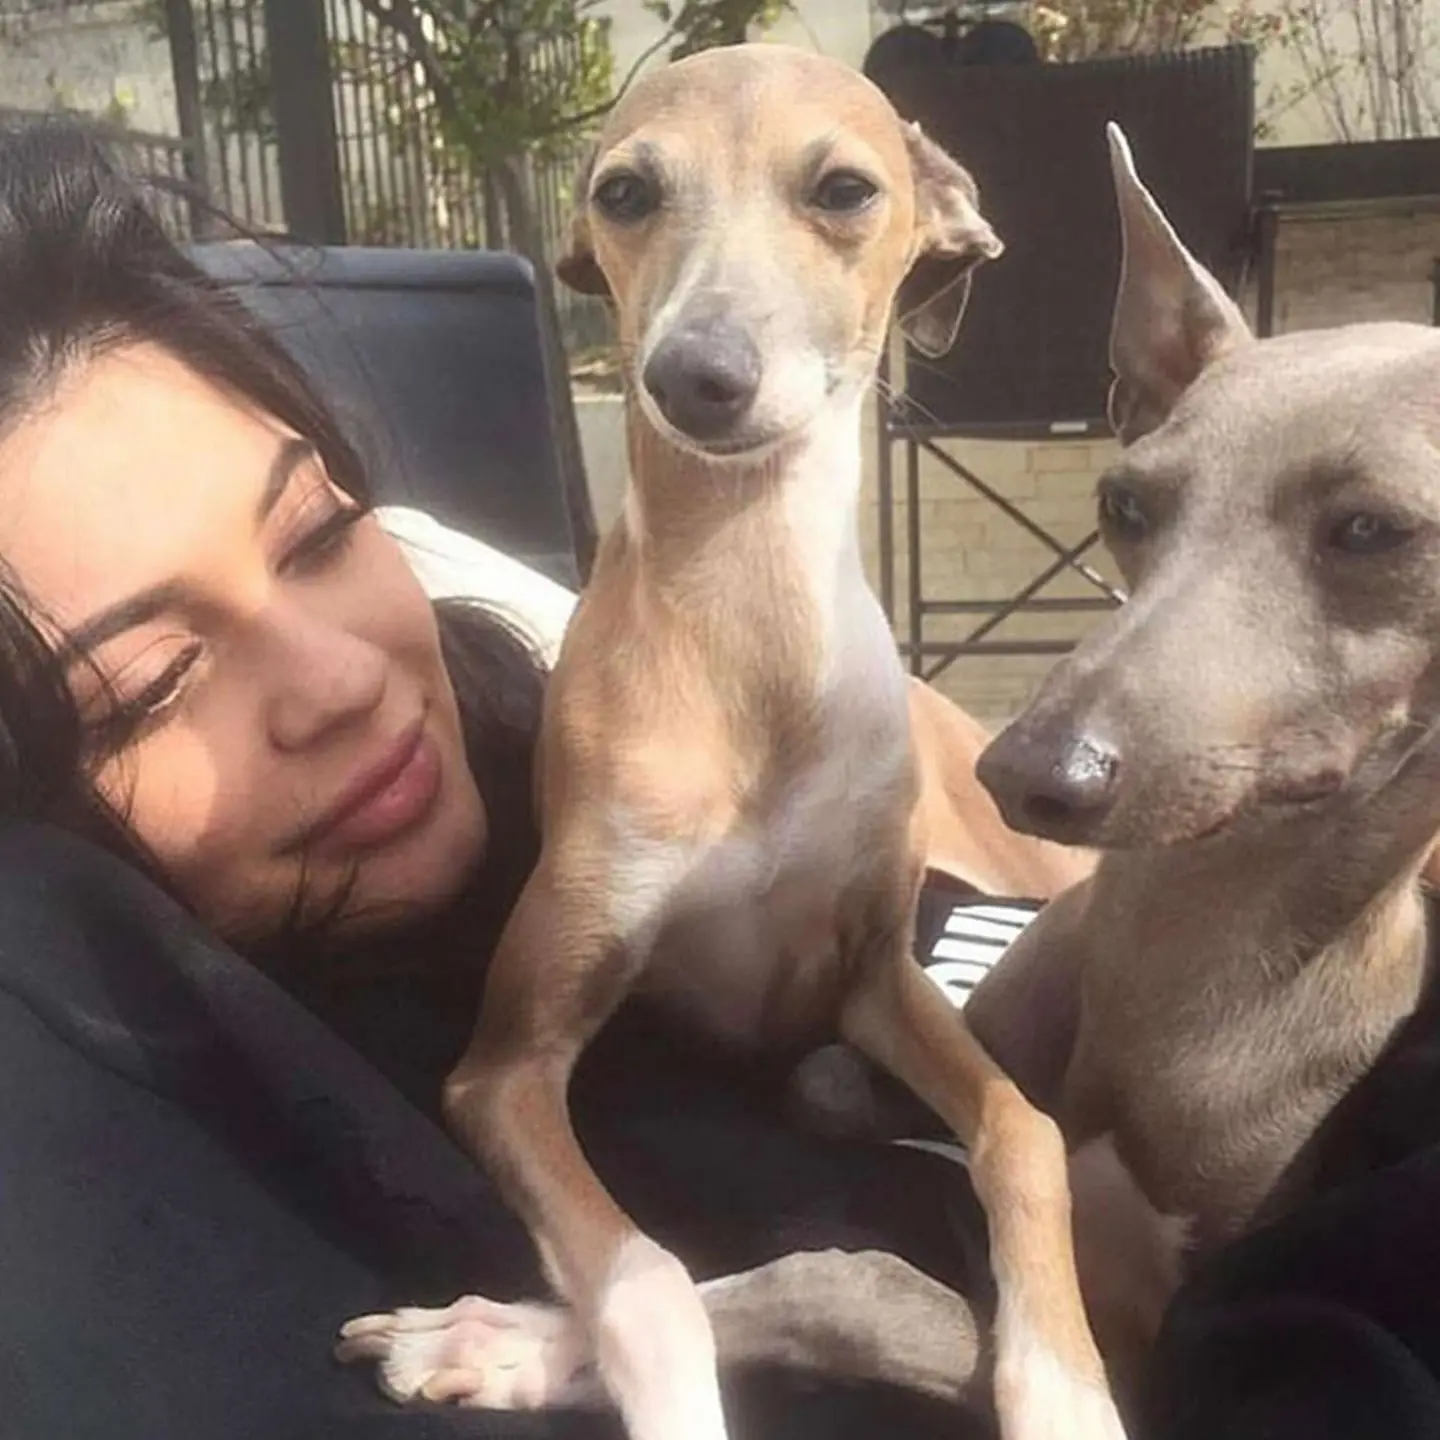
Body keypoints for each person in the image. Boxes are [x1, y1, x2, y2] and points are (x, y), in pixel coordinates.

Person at [0, 118, 1076, 1440]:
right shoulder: (160, 1156)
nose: (341, 679)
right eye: (152, 684)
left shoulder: (582, 736)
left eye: (322, 533)